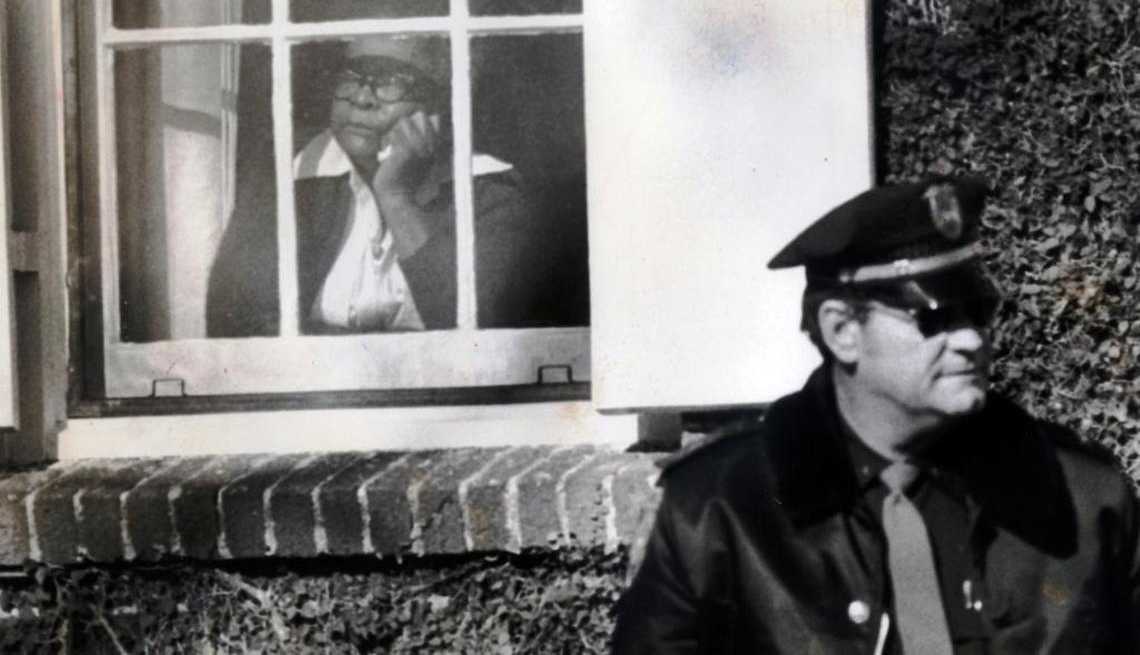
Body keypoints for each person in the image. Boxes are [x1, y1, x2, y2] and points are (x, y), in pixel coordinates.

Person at [612, 176, 1140, 653]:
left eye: (978, 312)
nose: (970, 340)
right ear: (842, 330)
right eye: (935, 317)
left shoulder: (1085, 499)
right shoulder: (719, 513)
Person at [206, 35, 560, 336]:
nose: (362, 99)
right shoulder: (296, 172)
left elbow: (478, 332)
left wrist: (396, 197)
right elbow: (235, 320)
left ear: (437, 101)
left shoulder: (489, 190)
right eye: (350, 78)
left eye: (391, 81)